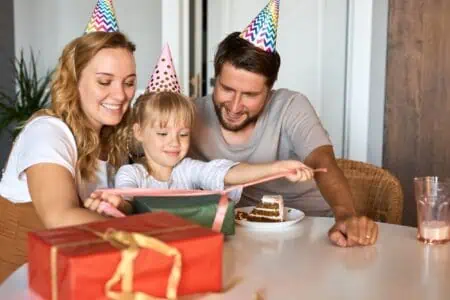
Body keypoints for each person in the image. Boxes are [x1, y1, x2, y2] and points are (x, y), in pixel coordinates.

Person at [189, 1, 378, 248]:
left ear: (269, 91)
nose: (234, 106)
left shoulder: (291, 106)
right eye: (226, 89)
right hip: (239, 236)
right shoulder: (189, 115)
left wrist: (345, 215)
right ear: (215, 80)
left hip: (311, 230)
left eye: (249, 95)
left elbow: (323, 162)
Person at [84, 45, 315, 215]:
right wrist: (115, 203)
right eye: (163, 134)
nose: (174, 143)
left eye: (183, 134)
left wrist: (278, 168)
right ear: (139, 132)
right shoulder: (131, 175)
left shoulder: (186, 171)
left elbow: (225, 174)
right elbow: (127, 202)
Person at [0, 31, 136, 281]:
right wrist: (145, 234)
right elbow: (60, 217)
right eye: (105, 82)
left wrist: (119, 207)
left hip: (71, 279)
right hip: (18, 285)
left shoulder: (111, 140)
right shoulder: (47, 131)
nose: (120, 95)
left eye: (128, 82)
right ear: (75, 81)